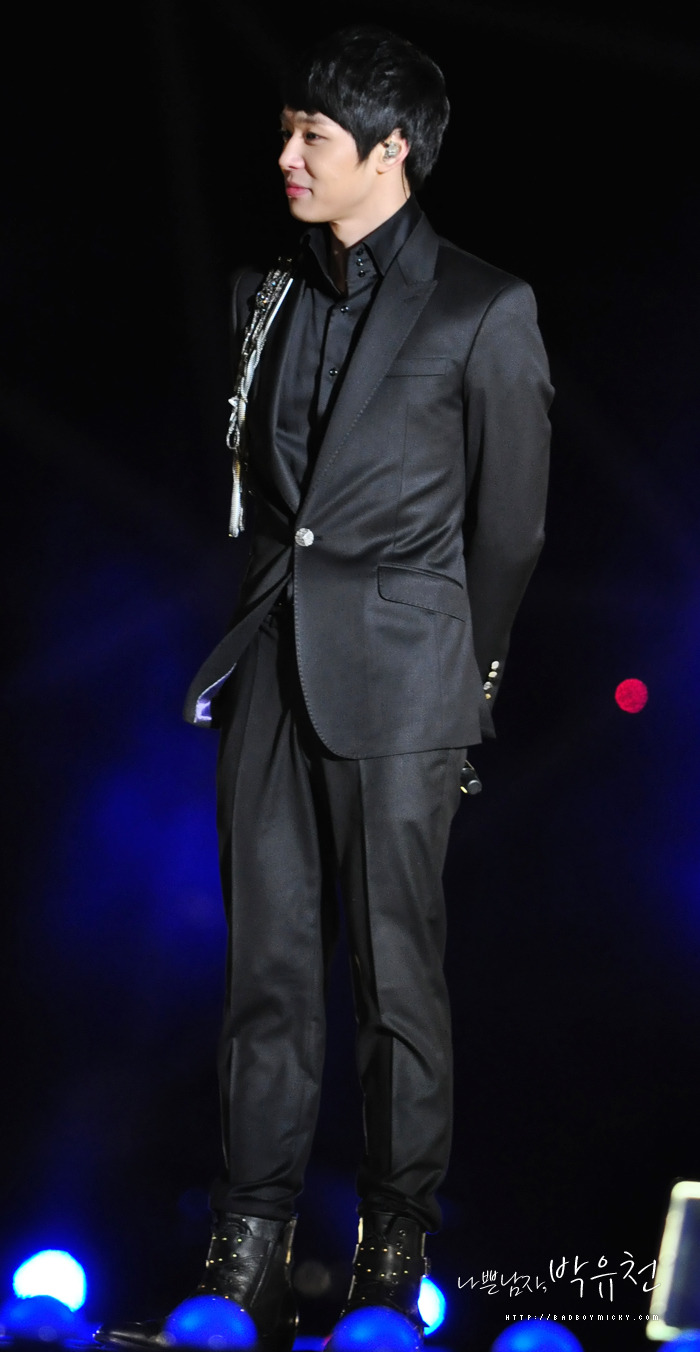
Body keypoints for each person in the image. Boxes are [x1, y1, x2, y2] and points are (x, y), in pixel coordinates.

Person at [96, 24, 552, 1352]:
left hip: (409, 683)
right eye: (288, 129)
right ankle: (243, 1258)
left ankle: (391, 1264)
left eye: (315, 136)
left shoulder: (483, 306)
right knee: (267, 976)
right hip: (269, 667)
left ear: (391, 151)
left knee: (399, 983)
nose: (288, 155)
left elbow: (512, 530)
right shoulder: (268, 294)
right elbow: (264, 502)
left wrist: (464, 678)